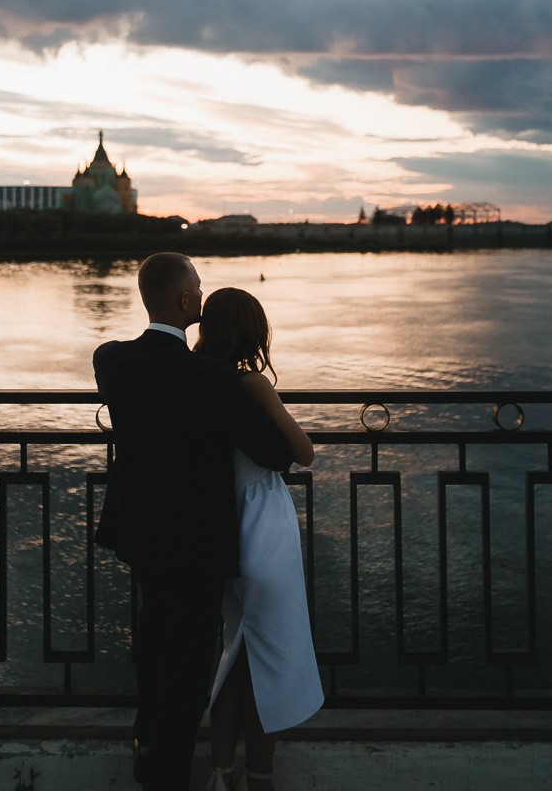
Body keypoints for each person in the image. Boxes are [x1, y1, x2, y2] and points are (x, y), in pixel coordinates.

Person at [93, 253, 294, 791]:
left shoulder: (111, 360)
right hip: (198, 545)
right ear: (185, 302)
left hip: (139, 535)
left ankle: (146, 745)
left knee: (155, 641)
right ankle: (167, 778)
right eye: (198, 289)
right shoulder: (211, 378)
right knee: (186, 669)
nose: (202, 298)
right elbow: (276, 453)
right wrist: (261, 397)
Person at [196, 288, 324, 791]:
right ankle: (260, 777)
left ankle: (222, 772)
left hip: (220, 527)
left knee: (235, 655)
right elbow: (304, 452)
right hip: (263, 527)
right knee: (271, 660)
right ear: (255, 331)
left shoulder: (196, 382)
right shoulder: (250, 384)